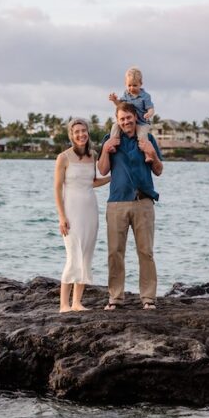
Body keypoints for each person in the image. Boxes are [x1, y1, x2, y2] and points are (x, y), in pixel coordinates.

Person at [98, 100, 164, 310]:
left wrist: (151, 153)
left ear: (135, 117)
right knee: (115, 252)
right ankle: (115, 298)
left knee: (146, 252)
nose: (126, 121)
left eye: (128, 117)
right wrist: (106, 150)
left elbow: (159, 170)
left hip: (143, 202)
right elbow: (102, 170)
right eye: (122, 119)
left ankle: (148, 299)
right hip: (116, 203)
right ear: (117, 121)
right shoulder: (110, 139)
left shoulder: (148, 138)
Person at [54, 118, 110, 312]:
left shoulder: (93, 155)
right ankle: (63, 304)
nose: (81, 135)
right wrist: (62, 217)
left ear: (88, 132)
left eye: (83, 131)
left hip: (90, 211)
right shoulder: (64, 157)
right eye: (76, 131)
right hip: (71, 212)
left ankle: (77, 302)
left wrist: (112, 177)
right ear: (71, 135)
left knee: (86, 255)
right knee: (72, 255)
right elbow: (57, 188)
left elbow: (92, 182)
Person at [109, 67, 156, 162]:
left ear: (140, 84)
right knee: (115, 126)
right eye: (129, 85)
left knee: (142, 136)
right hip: (128, 121)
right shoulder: (126, 94)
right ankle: (113, 145)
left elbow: (151, 108)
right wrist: (114, 100)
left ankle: (147, 155)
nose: (131, 88)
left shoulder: (145, 96)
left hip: (141, 123)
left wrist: (149, 113)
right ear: (125, 84)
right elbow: (120, 105)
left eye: (135, 85)